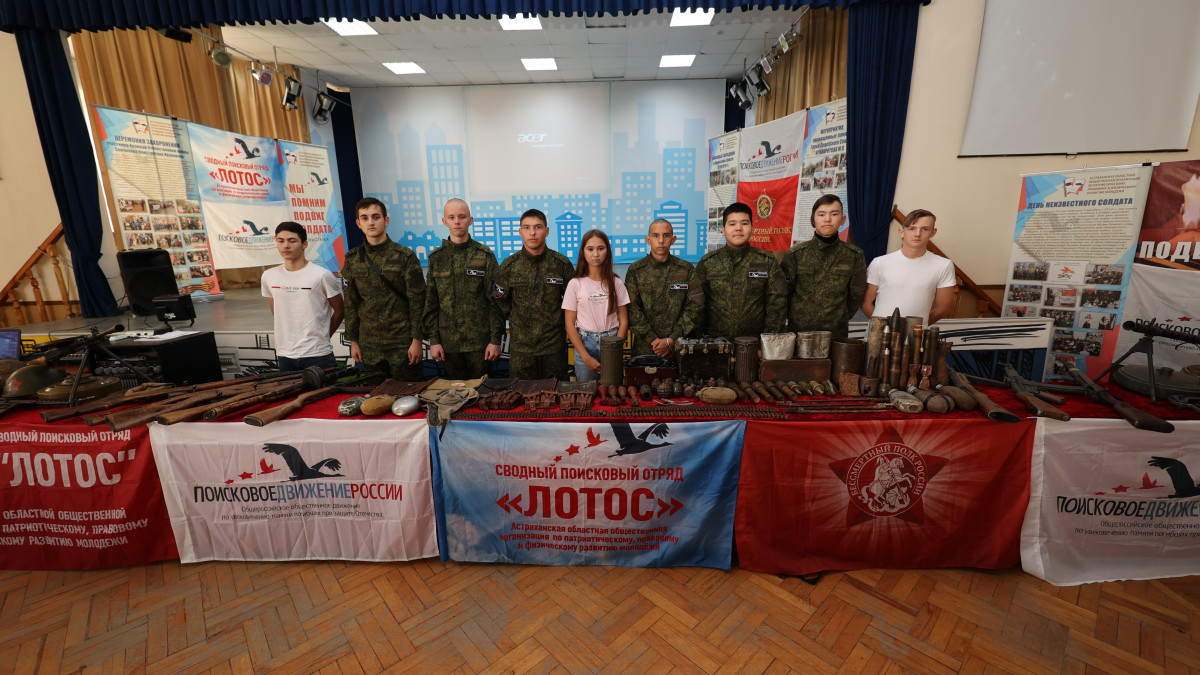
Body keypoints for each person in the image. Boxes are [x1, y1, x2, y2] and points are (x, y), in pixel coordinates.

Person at [341, 197, 427, 380]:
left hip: (402, 344)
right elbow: (351, 303)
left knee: (408, 393)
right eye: (364, 218)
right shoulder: (353, 260)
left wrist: (417, 340)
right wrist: (353, 341)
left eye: (376, 217)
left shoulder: (405, 256)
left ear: (386, 220)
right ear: (358, 223)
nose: (371, 222)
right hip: (369, 346)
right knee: (375, 395)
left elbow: (418, 301)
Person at [422, 199, 504, 379]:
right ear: (444, 221)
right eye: (451, 217)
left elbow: (495, 302)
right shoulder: (437, 258)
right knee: (455, 393)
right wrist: (434, 341)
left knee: (483, 392)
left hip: (481, 345)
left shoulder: (484, 256)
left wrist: (495, 340)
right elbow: (431, 303)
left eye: (462, 217)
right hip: (449, 345)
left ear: (470, 220)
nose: (457, 222)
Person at [493, 208, 575, 379]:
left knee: (556, 393)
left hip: (554, 349)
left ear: (547, 231)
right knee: (522, 394)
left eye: (538, 227)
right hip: (522, 351)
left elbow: (573, 303)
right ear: (520, 232)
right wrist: (519, 320)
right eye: (527, 227)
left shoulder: (561, 264)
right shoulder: (509, 267)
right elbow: (500, 303)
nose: (532, 232)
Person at [695, 202, 786, 342]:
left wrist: (766, 344)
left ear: (752, 229)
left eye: (744, 223)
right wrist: (701, 342)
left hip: (754, 344)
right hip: (715, 344)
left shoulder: (767, 261)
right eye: (732, 224)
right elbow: (696, 305)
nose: (738, 228)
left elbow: (778, 305)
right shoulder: (707, 263)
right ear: (723, 230)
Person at [261, 222, 344, 373]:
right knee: (290, 390)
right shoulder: (268, 276)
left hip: (318, 354)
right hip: (285, 354)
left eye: (292, 241)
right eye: (281, 241)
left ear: (304, 244)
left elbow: (339, 310)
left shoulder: (322, 275)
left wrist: (324, 337)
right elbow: (276, 311)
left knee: (326, 389)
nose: (286, 246)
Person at [781, 195, 866, 338]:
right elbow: (784, 292)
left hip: (836, 334)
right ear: (813, 220)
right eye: (821, 214)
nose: (827, 219)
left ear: (843, 219)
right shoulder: (796, 254)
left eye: (834, 214)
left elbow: (856, 295)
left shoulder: (854, 255)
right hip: (800, 332)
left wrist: (838, 316)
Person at [861, 208, 956, 325]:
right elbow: (865, 304)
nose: (917, 234)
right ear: (902, 232)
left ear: (933, 232)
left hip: (916, 334)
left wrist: (914, 329)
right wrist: (884, 328)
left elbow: (942, 309)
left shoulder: (943, 265)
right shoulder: (880, 263)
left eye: (925, 229)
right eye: (912, 228)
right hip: (879, 333)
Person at [625, 218, 704, 357]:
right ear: (648, 240)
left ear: (673, 239)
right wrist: (653, 340)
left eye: (666, 235)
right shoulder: (636, 270)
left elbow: (696, 307)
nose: (661, 241)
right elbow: (632, 309)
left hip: (679, 348)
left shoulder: (686, 269)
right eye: (656, 235)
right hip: (645, 349)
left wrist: (671, 339)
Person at [563, 229, 629, 381]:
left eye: (600, 248)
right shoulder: (575, 284)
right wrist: (586, 357)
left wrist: (615, 351)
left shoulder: (616, 283)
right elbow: (569, 324)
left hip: (612, 341)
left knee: (612, 390)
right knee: (587, 392)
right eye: (590, 249)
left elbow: (624, 321)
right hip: (585, 345)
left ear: (607, 251)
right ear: (583, 252)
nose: (595, 254)